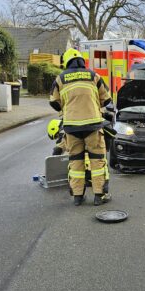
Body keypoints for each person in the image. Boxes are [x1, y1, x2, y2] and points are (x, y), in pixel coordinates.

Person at [49, 48, 113, 206]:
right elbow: (107, 99)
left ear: (67, 62)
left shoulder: (60, 78)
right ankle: (99, 196)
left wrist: (68, 108)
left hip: (71, 128)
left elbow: (54, 102)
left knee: (76, 161)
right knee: (97, 161)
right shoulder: (93, 75)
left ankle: (78, 197)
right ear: (81, 61)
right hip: (92, 126)